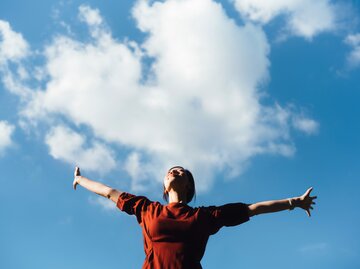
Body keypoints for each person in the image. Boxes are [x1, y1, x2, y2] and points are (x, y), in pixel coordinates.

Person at [73, 166, 317, 269]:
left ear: (189, 186)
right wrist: (80, 179)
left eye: (181, 171)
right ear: (165, 186)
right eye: (170, 171)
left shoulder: (205, 216)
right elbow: (108, 192)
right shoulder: (147, 209)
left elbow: (253, 208)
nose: (174, 171)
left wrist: (293, 202)